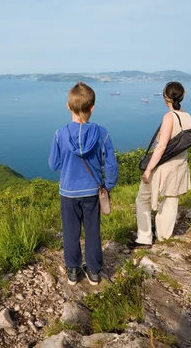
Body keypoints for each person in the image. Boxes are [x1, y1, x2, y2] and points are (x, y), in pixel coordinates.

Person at [49, 82, 119, 285]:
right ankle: (95, 272)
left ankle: (73, 271)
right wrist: (108, 186)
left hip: (68, 192)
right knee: (93, 231)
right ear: (92, 108)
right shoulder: (102, 133)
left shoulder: (60, 134)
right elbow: (112, 165)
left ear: (68, 106)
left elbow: (54, 164)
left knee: (70, 232)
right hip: (92, 192)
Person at [131, 81, 191, 248]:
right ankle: (164, 236)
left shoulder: (169, 117)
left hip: (163, 166)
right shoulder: (188, 117)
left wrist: (148, 169)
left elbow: (161, 147)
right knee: (171, 199)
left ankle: (144, 237)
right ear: (183, 95)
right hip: (180, 164)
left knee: (142, 199)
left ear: (165, 97)